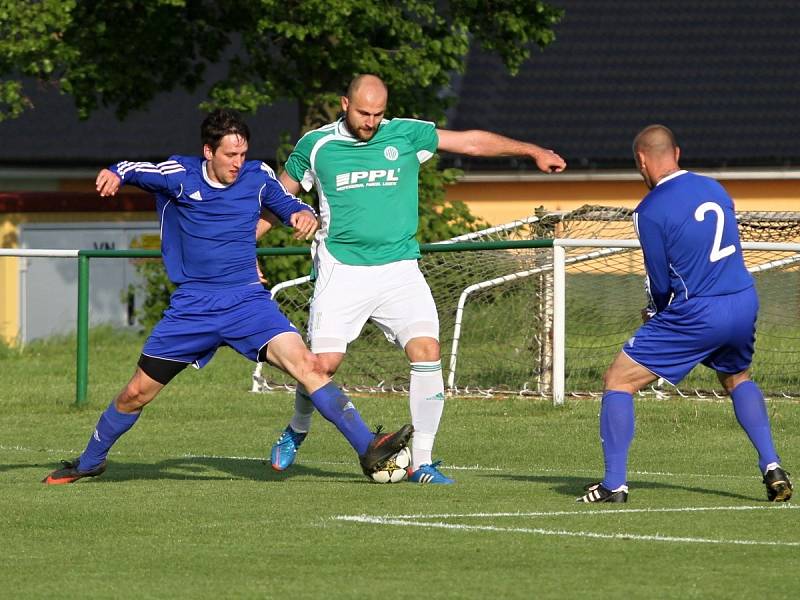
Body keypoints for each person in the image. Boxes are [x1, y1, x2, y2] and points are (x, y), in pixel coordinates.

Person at [42, 108, 412, 485]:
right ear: (208, 152)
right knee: (135, 394)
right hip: (193, 309)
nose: (238, 163)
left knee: (310, 366)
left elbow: (288, 204)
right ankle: (90, 461)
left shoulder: (257, 176)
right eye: (229, 155)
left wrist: (303, 214)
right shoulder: (179, 176)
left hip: (247, 303)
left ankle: (369, 446)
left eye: (242, 154)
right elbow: (133, 168)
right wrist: (114, 173)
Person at [268, 74, 566, 484]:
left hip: (400, 269)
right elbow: (277, 199)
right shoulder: (316, 145)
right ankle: (297, 428)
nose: (371, 122)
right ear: (343, 103)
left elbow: (471, 142)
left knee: (426, 350)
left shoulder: (406, 134)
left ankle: (421, 462)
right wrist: (243, 248)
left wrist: (531, 150)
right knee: (322, 366)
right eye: (362, 113)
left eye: (378, 113)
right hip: (342, 271)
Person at [577, 124, 793, 503]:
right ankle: (772, 465)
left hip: (700, 310)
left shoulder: (649, 211)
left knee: (619, 381)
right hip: (743, 299)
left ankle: (614, 484)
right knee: (737, 377)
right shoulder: (714, 187)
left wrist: (657, 314)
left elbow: (660, 281)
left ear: (641, 161)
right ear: (676, 153)